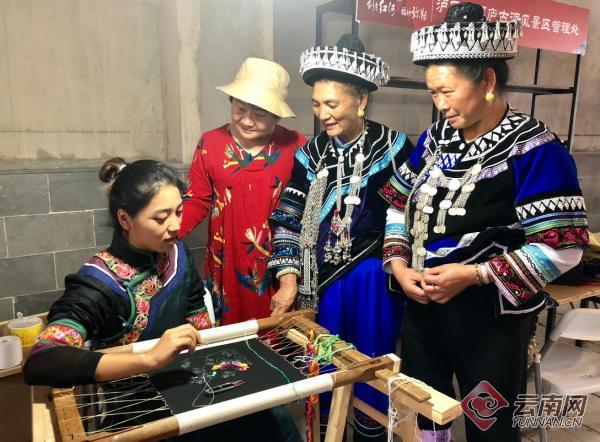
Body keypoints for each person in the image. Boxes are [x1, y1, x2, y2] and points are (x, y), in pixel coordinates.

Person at [381, 3, 589, 441]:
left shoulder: (535, 149)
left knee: (488, 422)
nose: (440, 104)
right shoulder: (435, 139)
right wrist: (398, 266)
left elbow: (563, 248)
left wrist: (474, 274)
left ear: (488, 82)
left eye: (447, 91)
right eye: (432, 93)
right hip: (423, 310)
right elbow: (398, 205)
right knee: (423, 411)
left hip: (489, 321)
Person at [24, 158, 301, 442]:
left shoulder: (175, 253)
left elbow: (195, 306)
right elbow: (42, 361)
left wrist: (215, 359)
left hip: (189, 382)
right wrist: (149, 358)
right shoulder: (99, 282)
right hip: (140, 407)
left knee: (273, 417)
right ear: (124, 219)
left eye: (179, 212)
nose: (175, 225)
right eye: (160, 218)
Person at [268, 34, 414, 440]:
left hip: (373, 281)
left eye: (332, 104)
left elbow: (408, 217)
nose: (323, 115)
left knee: (371, 367)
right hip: (321, 285)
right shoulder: (310, 154)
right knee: (325, 368)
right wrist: (288, 279)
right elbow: (288, 219)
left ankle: (371, 436)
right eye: (316, 105)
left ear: (361, 99)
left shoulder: (395, 148)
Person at [179, 57, 306, 325]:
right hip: (225, 261)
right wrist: (165, 233)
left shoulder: (296, 146)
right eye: (240, 108)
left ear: (276, 115)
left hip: (277, 264)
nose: (247, 121)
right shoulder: (210, 143)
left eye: (259, 114)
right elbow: (197, 200)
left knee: (275, 334)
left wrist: (290, 278)